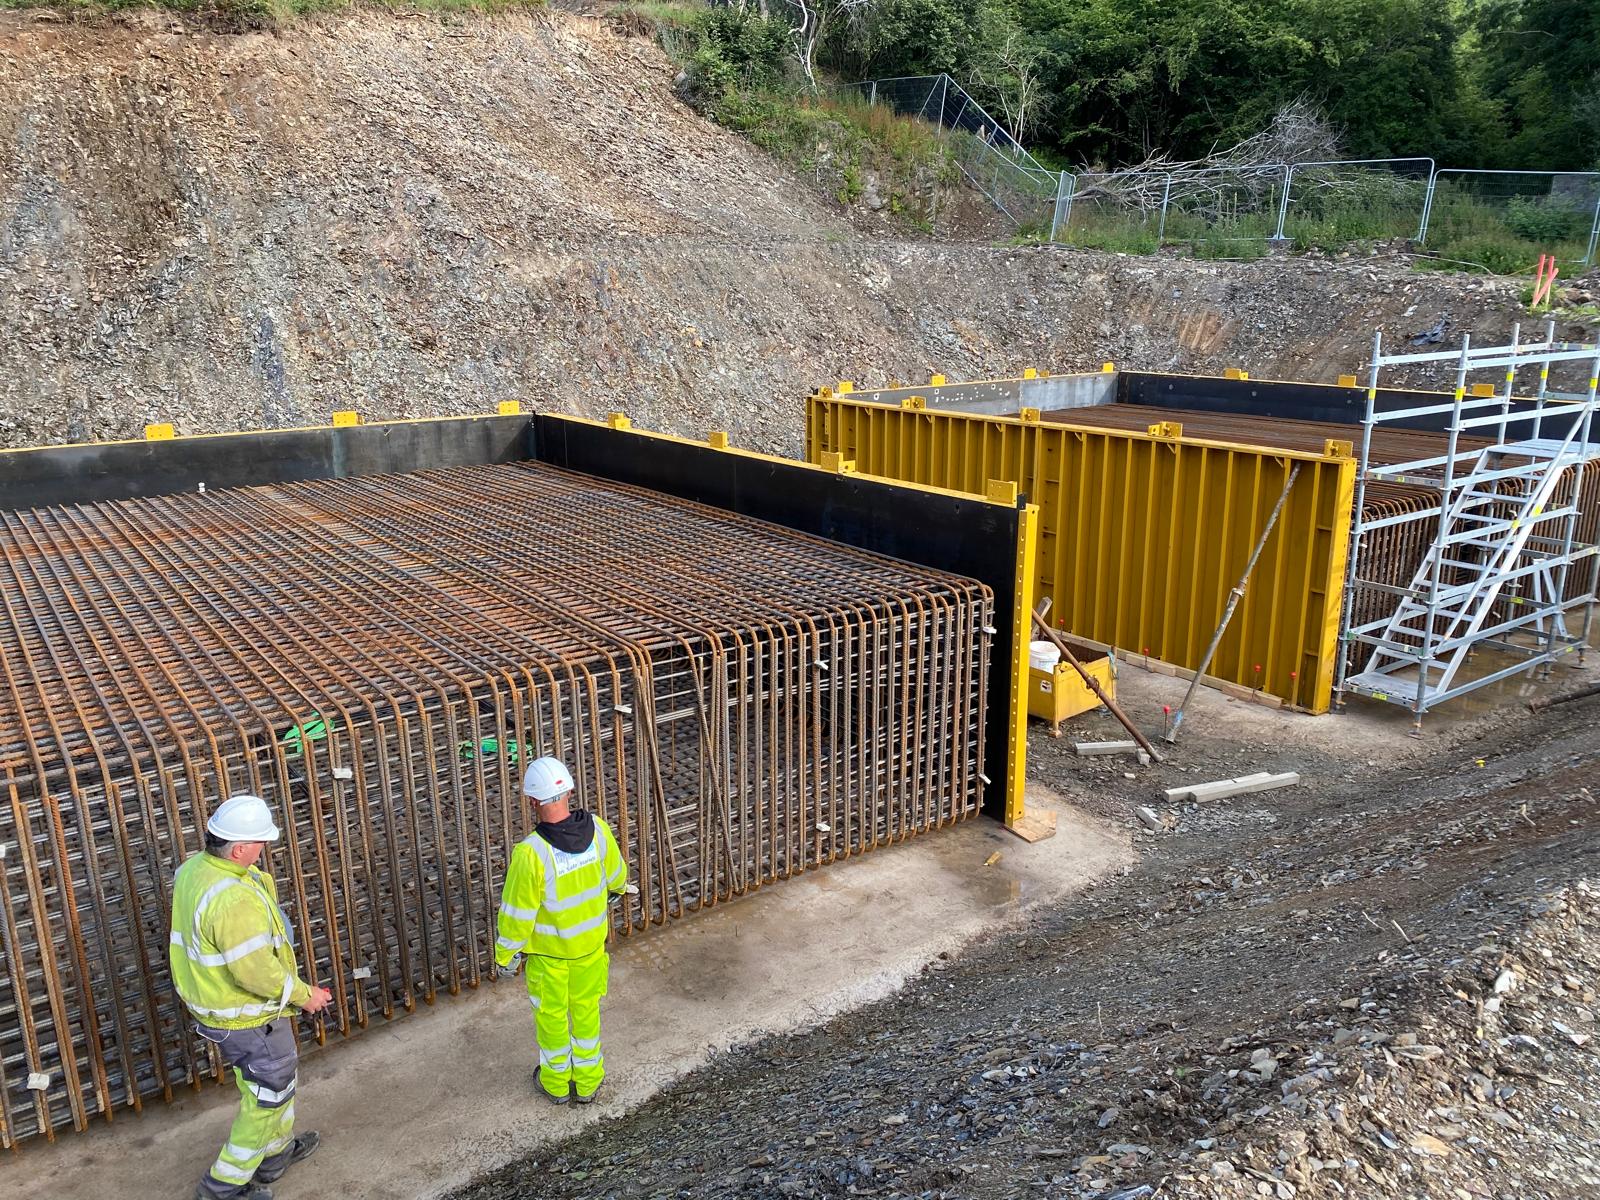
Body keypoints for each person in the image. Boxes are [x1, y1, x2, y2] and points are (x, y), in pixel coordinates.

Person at [169, 793, 333, 1200]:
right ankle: (221, 1188)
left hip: (222, 1011)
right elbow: (254, 970)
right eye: (261, 842)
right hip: (248, 1018)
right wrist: (305, 995)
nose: (265, 849)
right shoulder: (231, 898)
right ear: (240, 848)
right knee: (266, 1099)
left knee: (266, 1088)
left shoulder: (194, 869)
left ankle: (276, 1155)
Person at [495, 756, 629, 1104]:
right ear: (569, 790)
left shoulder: (531, 853)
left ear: (533, 801)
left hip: (550, 959)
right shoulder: (598, 830)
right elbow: (617, 879)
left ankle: (555, 1084)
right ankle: (587, 1083)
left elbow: (516, 914)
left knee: (552, 1019)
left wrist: (506, 956)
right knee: (586, 1014)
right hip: (590, 952)